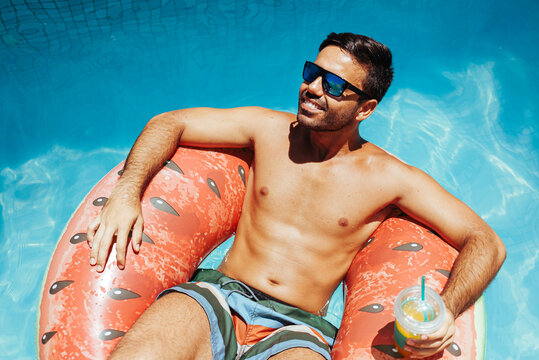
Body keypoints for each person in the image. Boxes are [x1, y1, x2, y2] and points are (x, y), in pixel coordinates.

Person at [87, 33, 506, 360]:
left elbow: (485, 241)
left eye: (336, 85)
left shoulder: (390, 178)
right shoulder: (268, 131)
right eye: (312, 72)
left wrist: (446, 310)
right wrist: (127, 193)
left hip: (298, 329)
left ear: (365, 109)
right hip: (218, 295)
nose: (314, 88)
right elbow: (170, 122)